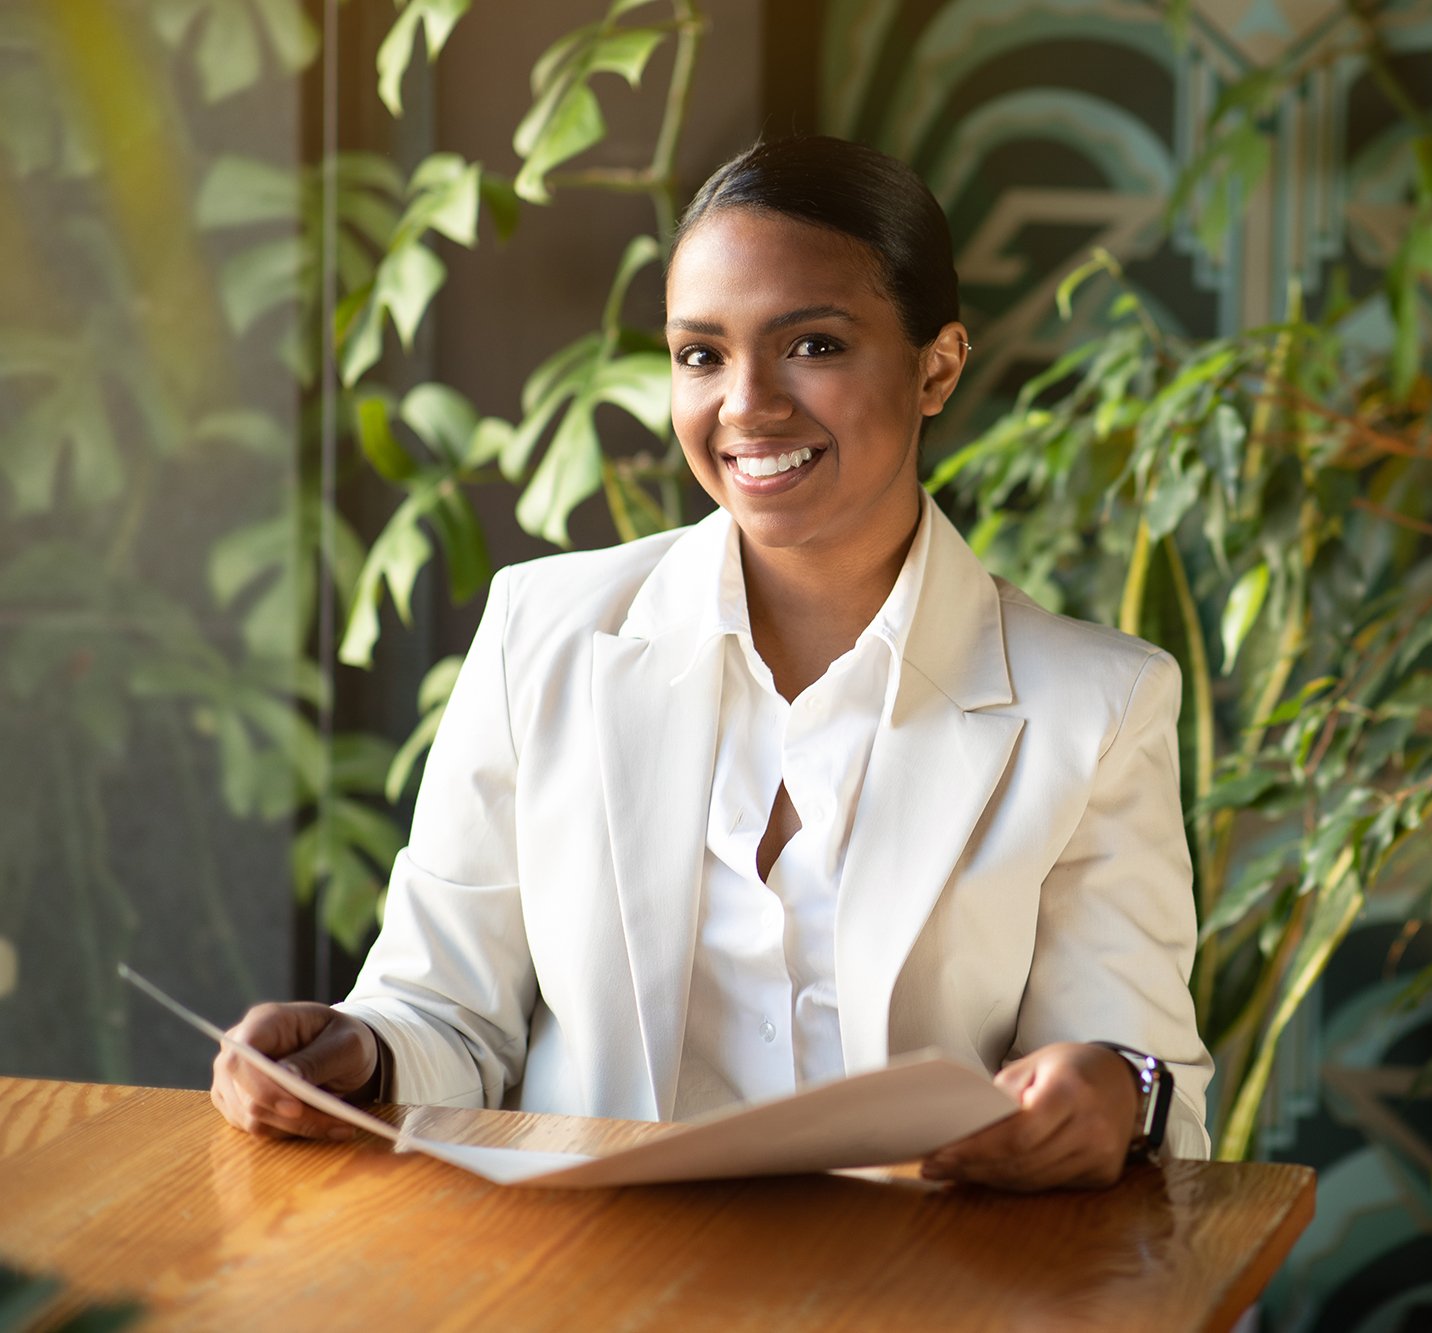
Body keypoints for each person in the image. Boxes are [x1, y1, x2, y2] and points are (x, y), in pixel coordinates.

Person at [210, 136, 1210, 1190]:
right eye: (700, 354)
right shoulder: (540, 632)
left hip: (920, 1280)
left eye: (812, 345)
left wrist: (1114, 1094)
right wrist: (352, 1052)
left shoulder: (1093, 704)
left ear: (936, 366)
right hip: (595, 1276)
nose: (745, 404)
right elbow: (444, 1012)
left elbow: (1145, 1078)